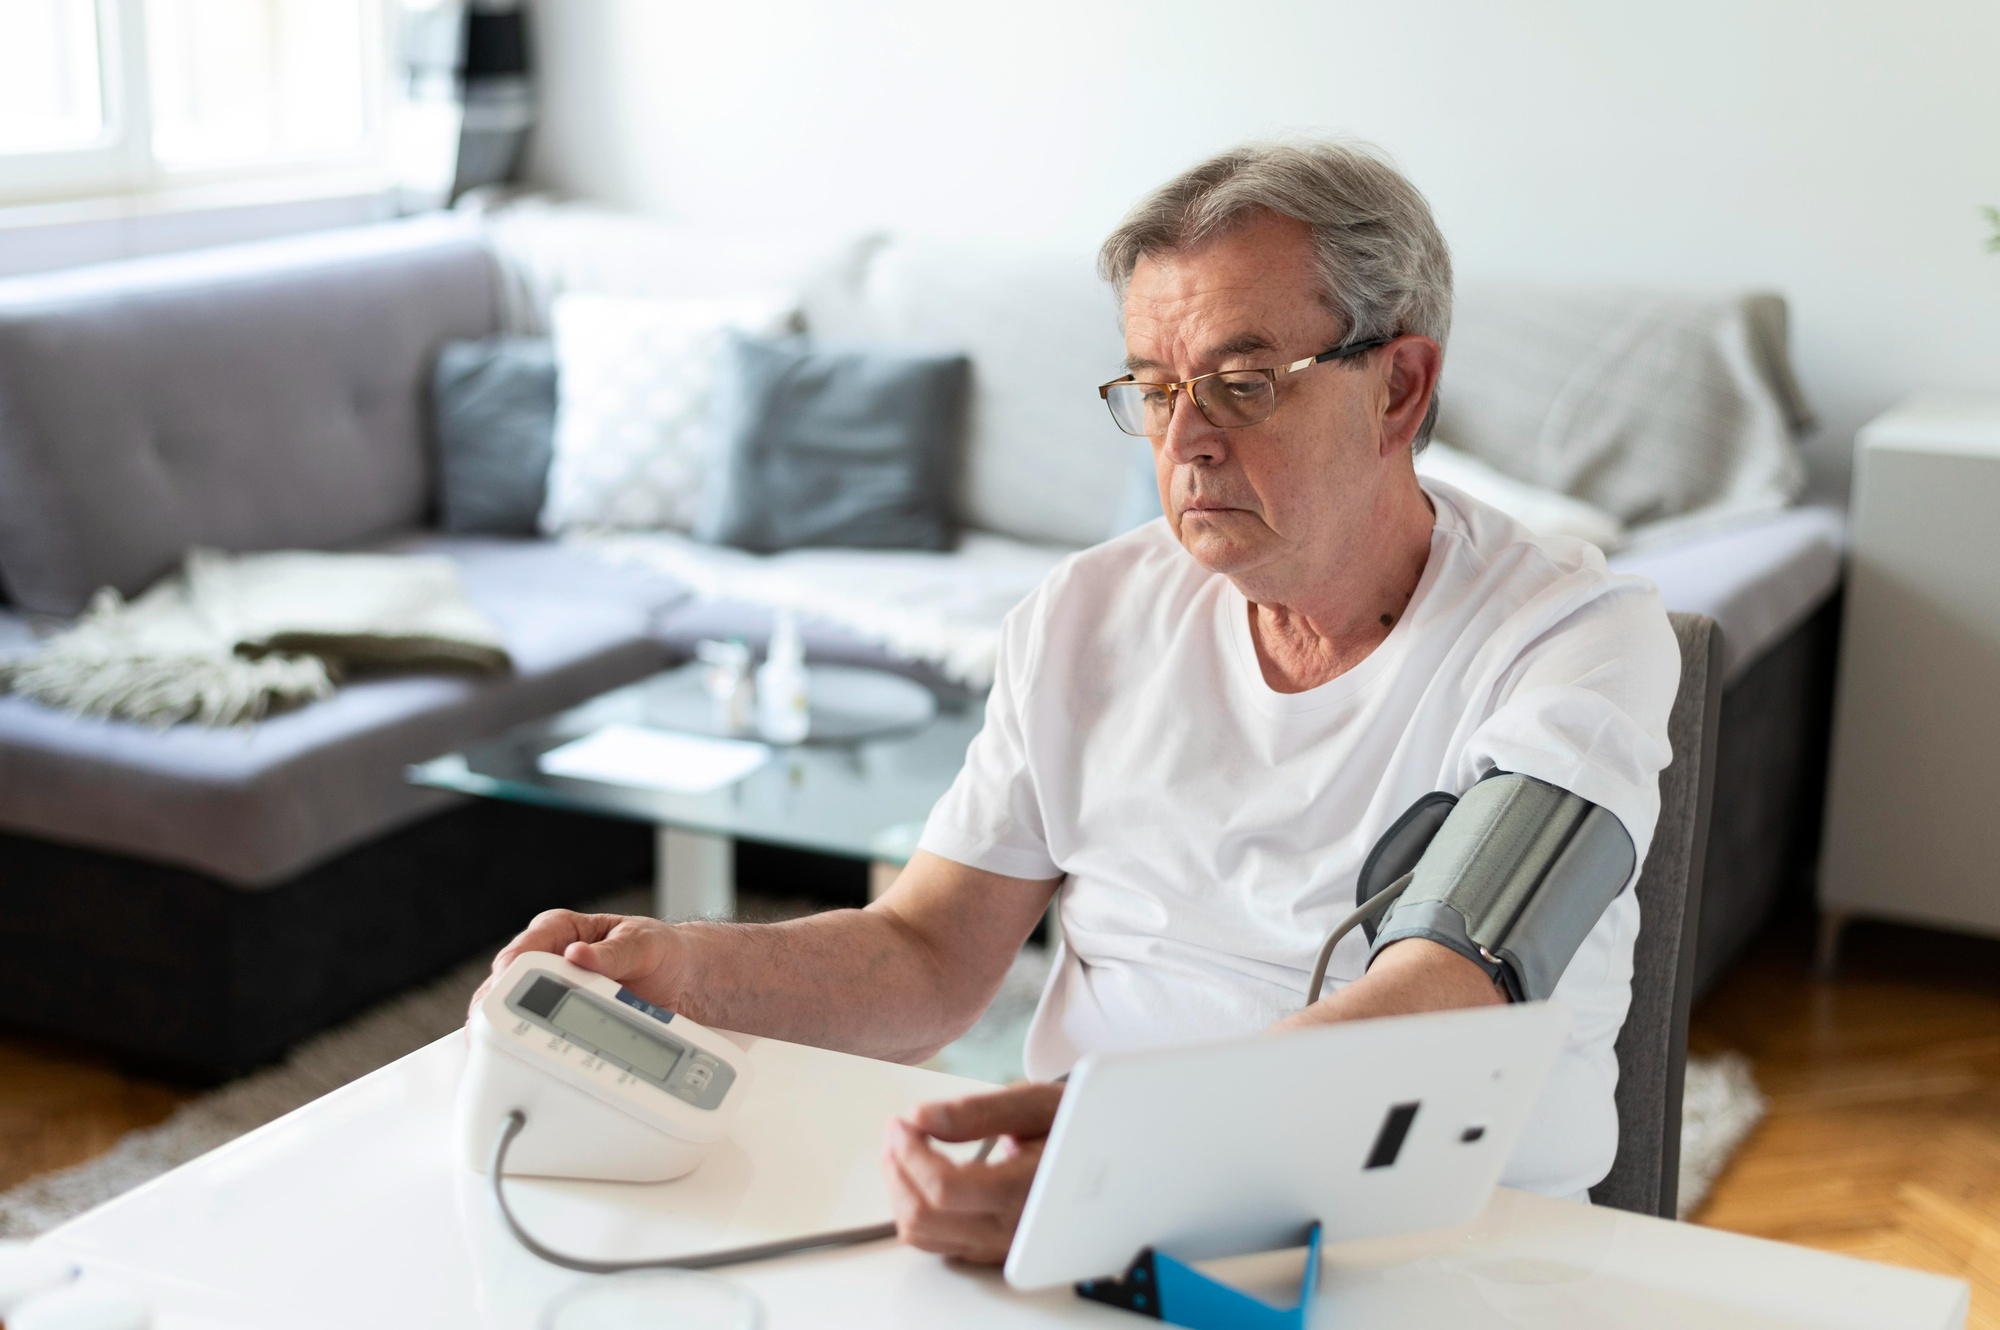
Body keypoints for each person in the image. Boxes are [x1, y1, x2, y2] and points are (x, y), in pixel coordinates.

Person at [473, 139, 1679, 1265]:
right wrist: (683, 968)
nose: (1186, 440)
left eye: (1244, 383)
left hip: (1436, 1249)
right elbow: (929, 951)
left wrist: (1124, 1158)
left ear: (1399, 387)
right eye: (1154, 389)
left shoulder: (1572, 639)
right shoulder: (1084, 614)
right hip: (1089, 1224)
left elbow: (1447, 993)